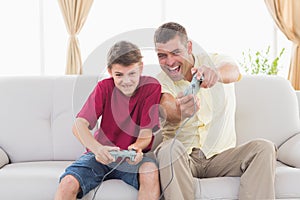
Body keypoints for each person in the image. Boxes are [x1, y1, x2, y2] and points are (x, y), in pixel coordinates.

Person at [153, 22, 277, 200]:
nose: (170, 62)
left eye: (175, 53)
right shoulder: (159, 81)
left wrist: (216, 74)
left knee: (264, 148)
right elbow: (167, 107)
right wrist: (180, 111)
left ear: (189, 47)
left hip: (221, 158)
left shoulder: (215, 61)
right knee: (168, 149)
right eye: (162, 56)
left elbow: (233, 71)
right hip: (183, 160)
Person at [54, 41, 161, 200]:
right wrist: (97, 149)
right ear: (110, 71)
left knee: (150, 173)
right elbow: (79, 125)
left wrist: (136, 148)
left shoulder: (151, 87)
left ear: (141, 68)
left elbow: (146, 131)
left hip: (131, 157)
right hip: (100, 155)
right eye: (119, 75)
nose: (126, 81)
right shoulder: (104, 87)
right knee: (68, 183)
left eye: (132, 73)